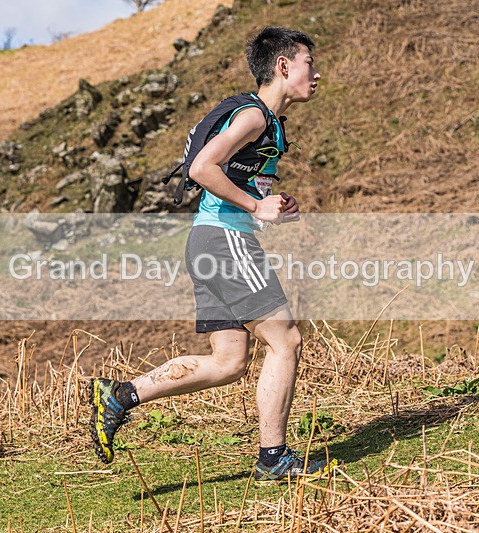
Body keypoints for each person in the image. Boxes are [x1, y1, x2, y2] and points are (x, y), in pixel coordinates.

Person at [88, 26, 324, 482]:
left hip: (208, 240)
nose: (316, 74)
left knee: (229, 361)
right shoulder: (254, 117)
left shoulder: (267, 121)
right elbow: (201, 168)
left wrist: (270, 205)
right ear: (283, 66)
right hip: (223, 240)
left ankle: (120, 396)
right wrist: (255, 206)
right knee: (286, 340)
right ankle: (273, 458)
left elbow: (230, 178)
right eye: (308, 64)